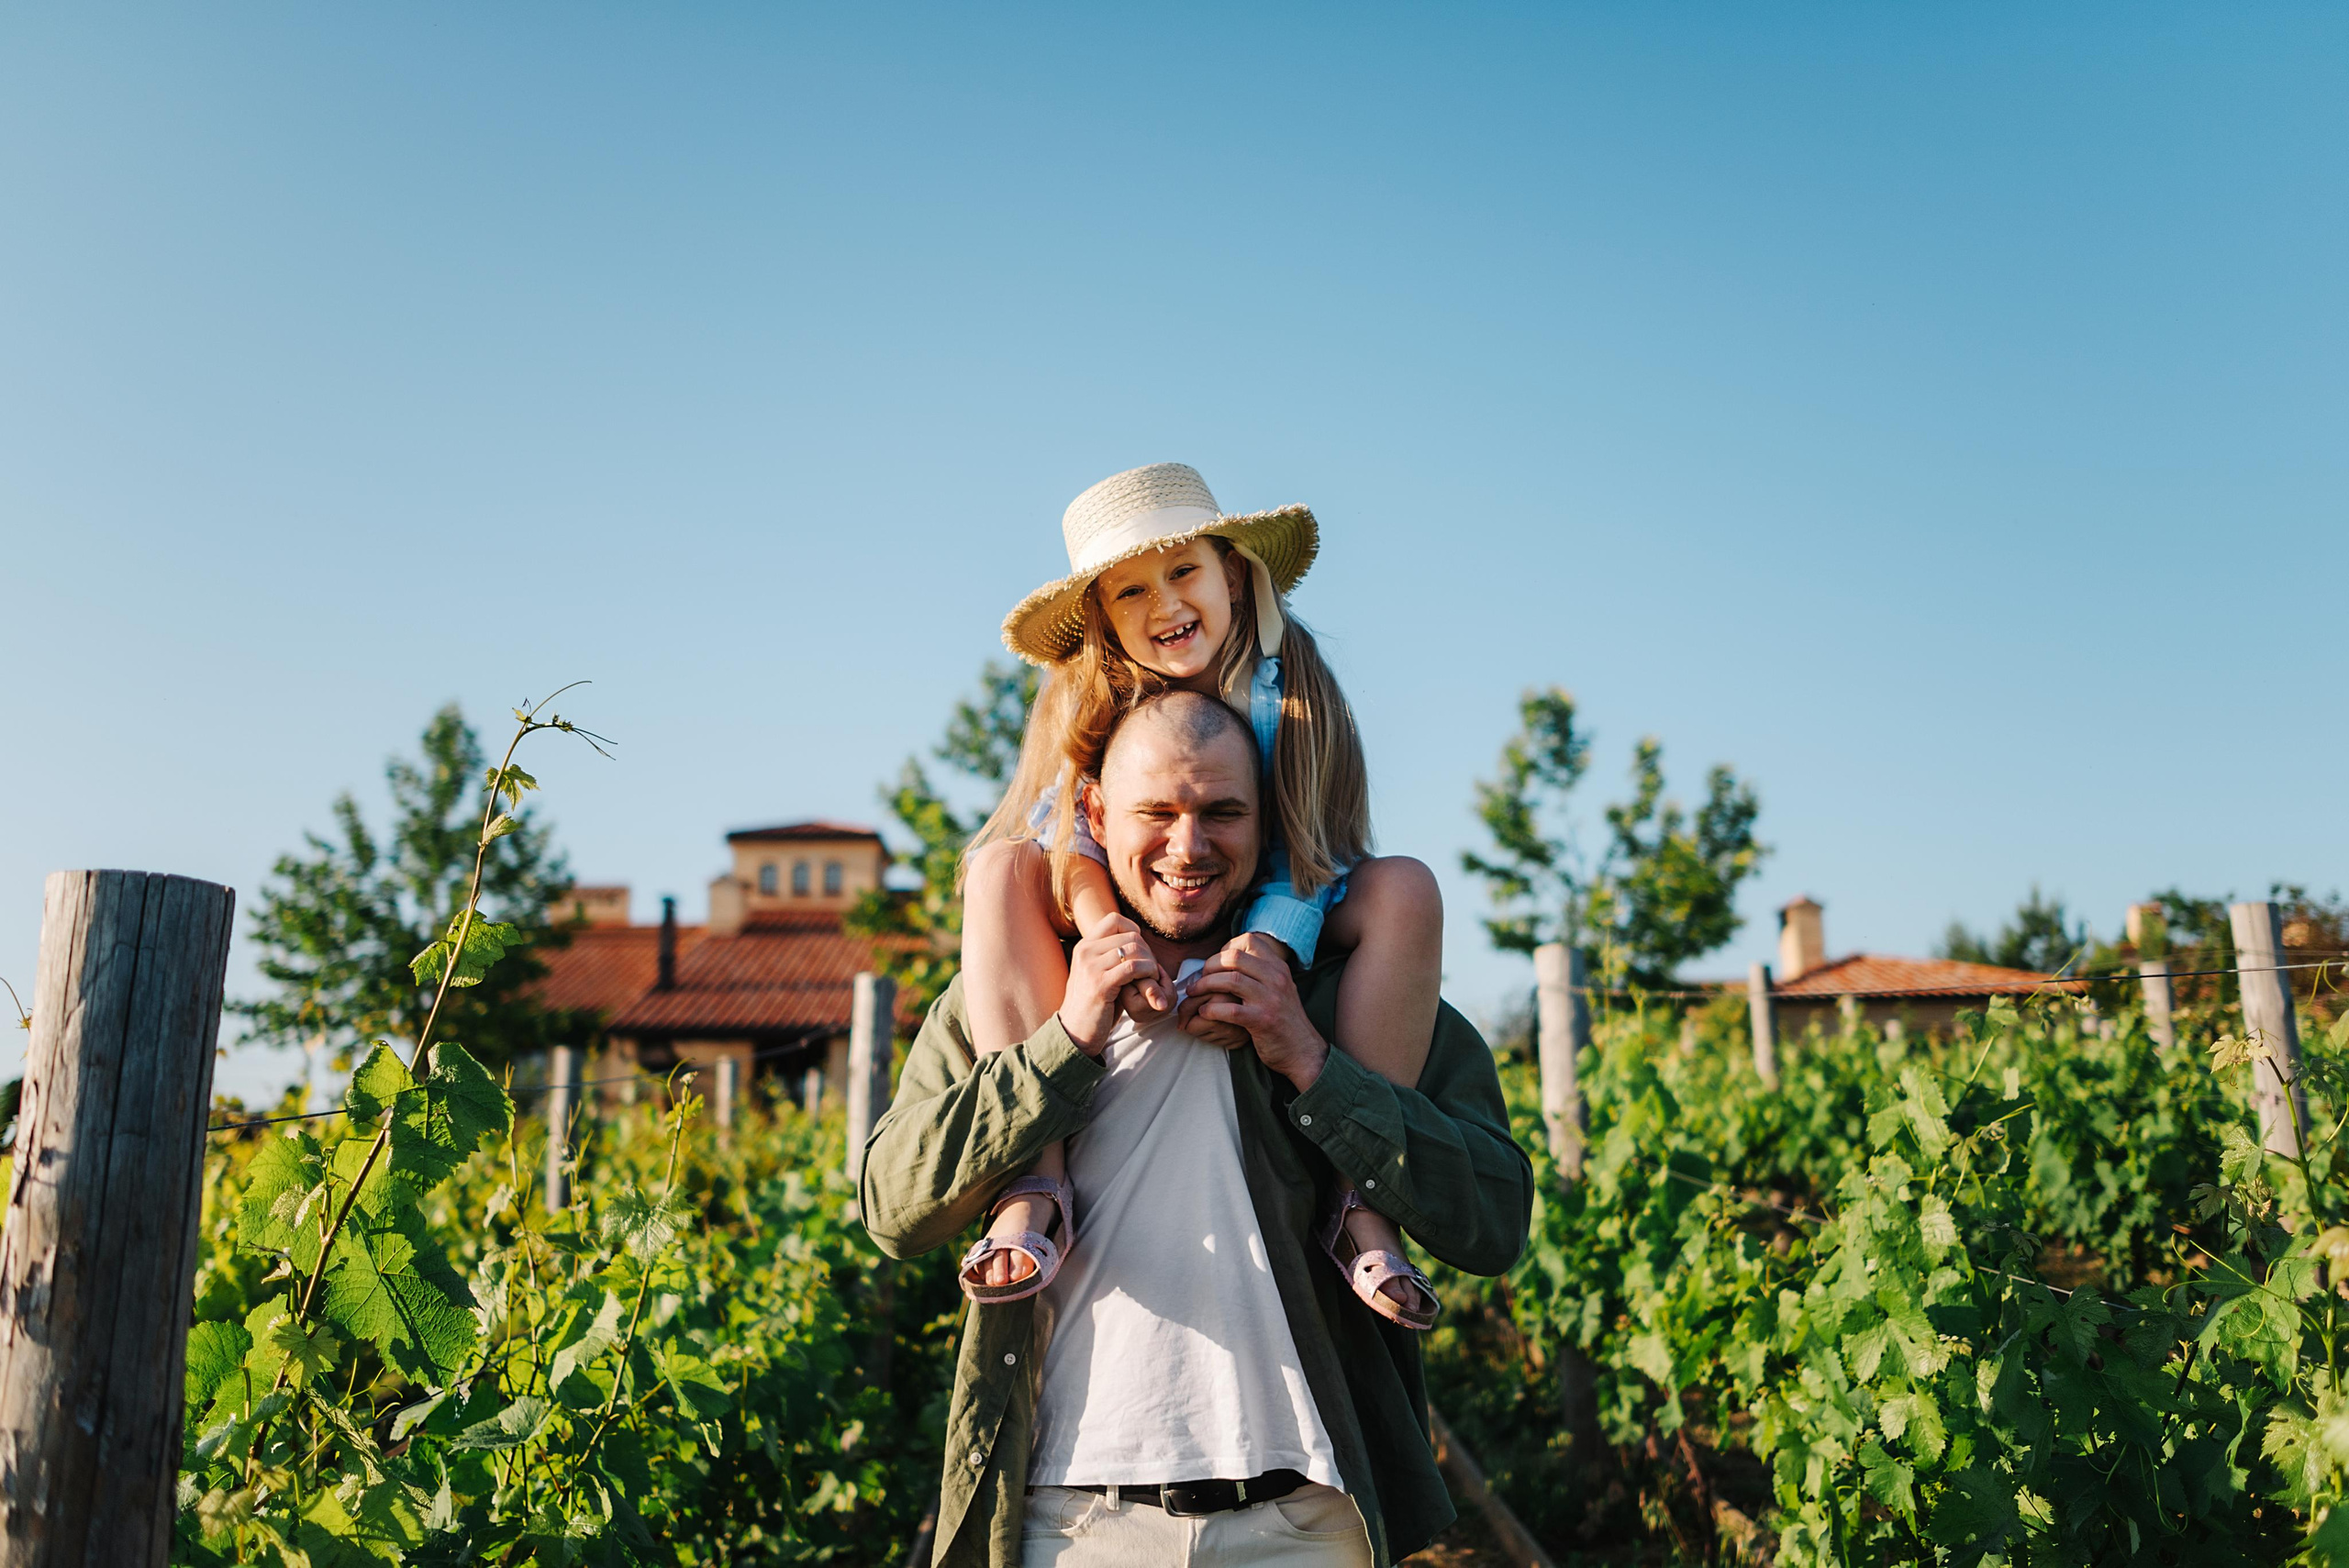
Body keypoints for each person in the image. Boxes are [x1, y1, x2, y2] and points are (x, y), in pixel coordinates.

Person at [861, 690, 1534, 1568]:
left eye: (1224, 811)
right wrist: (1061, 1045)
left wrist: (1311, 1060)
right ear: (1097, 813)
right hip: (1070, 1520)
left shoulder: (1346, 991)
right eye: (1156, 812)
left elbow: (1492, 1217)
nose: (1189, 846)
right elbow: (893, 1204)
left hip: (1302, 1521)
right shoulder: (1019, 985)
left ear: (1269, 821)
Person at [955, 463, 1447, 1330]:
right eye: (1130, 589)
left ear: (1231, 571)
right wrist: (1106, 927)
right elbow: (1061, 835)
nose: (1164, 603)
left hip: (1288, 890)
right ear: (1103, 615)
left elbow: (1314, 841)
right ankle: (1033, 1180)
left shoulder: (1293, 685)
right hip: (1123, 900)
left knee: (1406, 889)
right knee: (997, 871)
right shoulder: (1089, 692)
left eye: (1183, 571)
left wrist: (1264, 949)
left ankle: (1361, 1202)